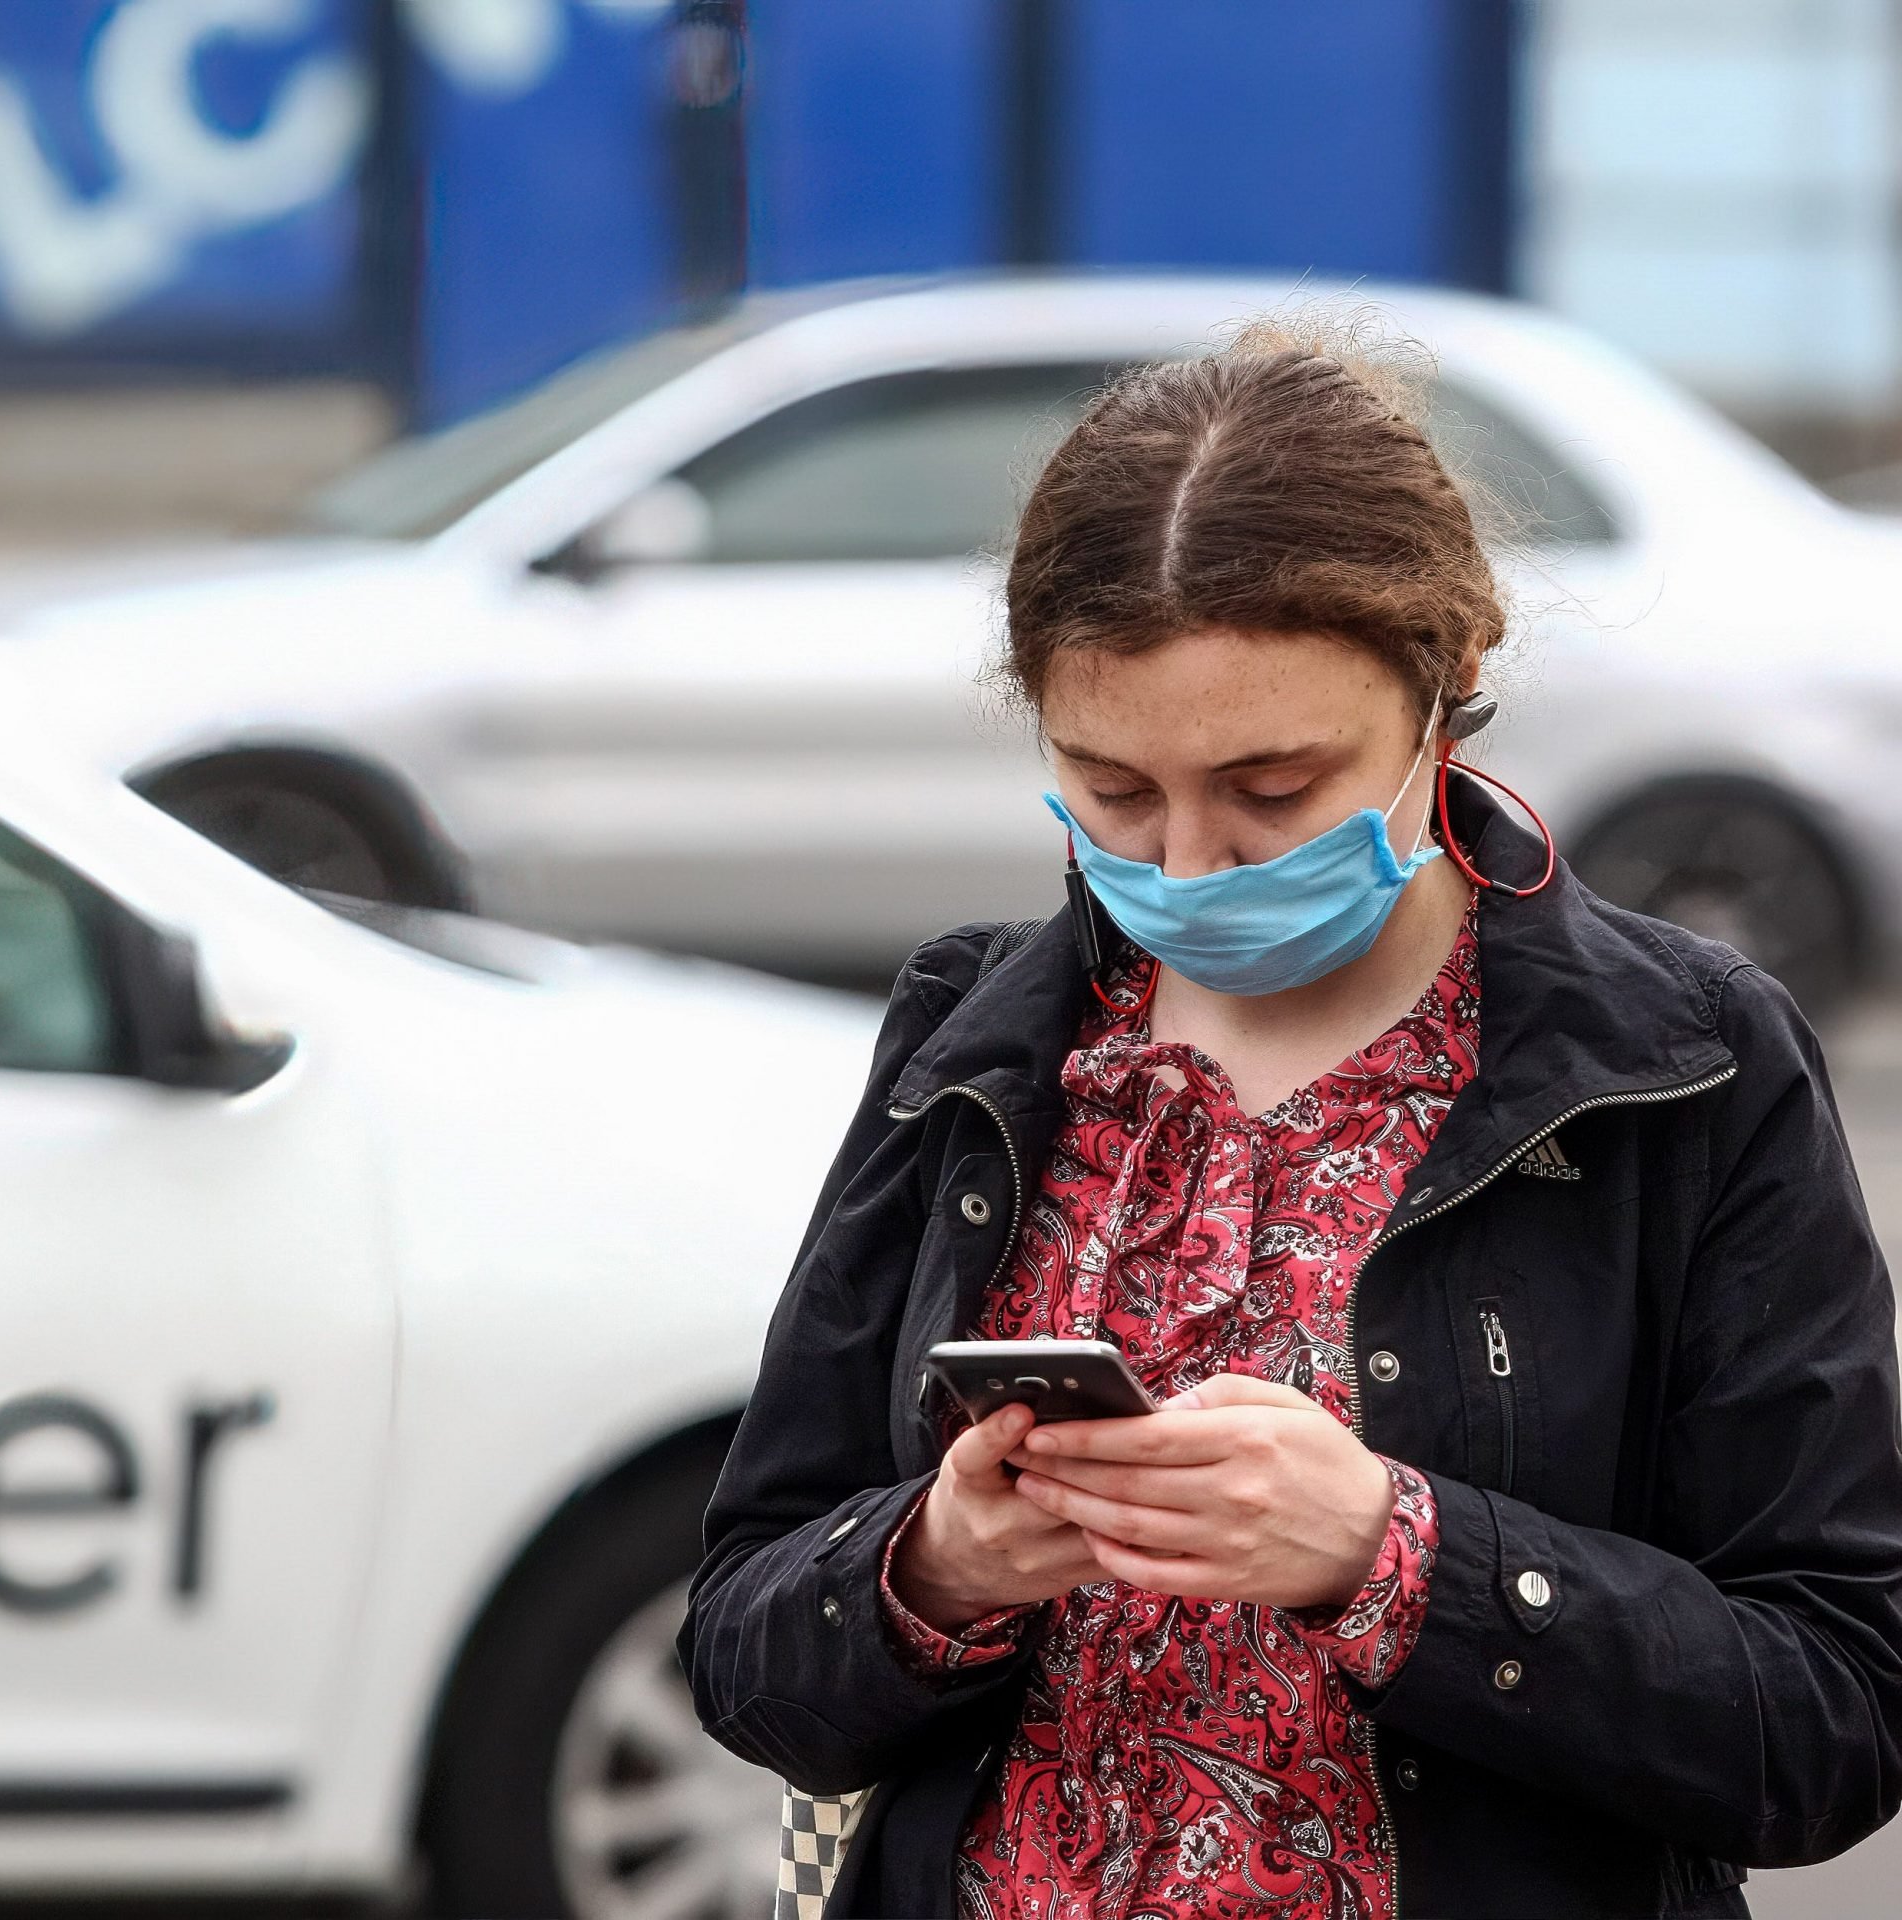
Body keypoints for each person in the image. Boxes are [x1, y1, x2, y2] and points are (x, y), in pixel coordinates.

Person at [682, 321, 1902, 1918]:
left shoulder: (1685, 1065)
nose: (1187, 866)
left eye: (1273, 790)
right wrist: (932, 1572)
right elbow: (742, 1643)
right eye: (1112, 789)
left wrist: (1395, 1556)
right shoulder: (978, 1040)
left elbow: (1834, 1713)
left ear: (1449, 683)